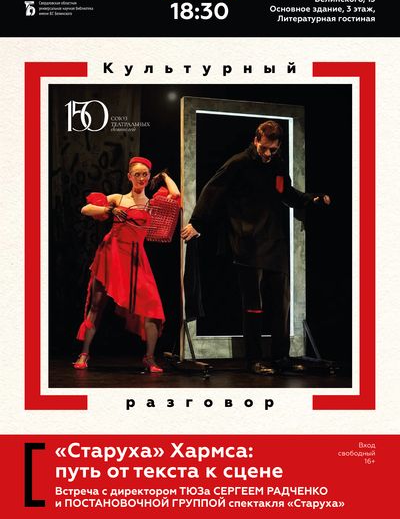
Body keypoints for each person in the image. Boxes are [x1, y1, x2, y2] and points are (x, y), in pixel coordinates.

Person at [181, 120, 330, 375]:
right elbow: (213, 190)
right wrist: (197, 222)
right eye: (264, 148)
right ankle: (254, 359)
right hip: (247, 240)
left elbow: (285, 192)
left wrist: (310, 199)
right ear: (256, 140)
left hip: (274, 240)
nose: (268, 154)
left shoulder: (278, 165)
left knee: (281, 304)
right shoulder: (238, 162)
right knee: (253, 304)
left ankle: (281, 357)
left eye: (273, 149)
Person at [73, 156, 180, 373]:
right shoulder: (118, 198)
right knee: (97, 305)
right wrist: (109, 210)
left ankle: (149, 358)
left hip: (135, 259)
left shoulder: (151, 203)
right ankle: (84, 354)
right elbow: (86, 209)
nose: (141, 178)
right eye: (137, 174)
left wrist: (164, 176)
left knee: (152, 307)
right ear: (129, 176)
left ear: (149, 177)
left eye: (145, 174)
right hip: (111, 255)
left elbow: (176, 196)